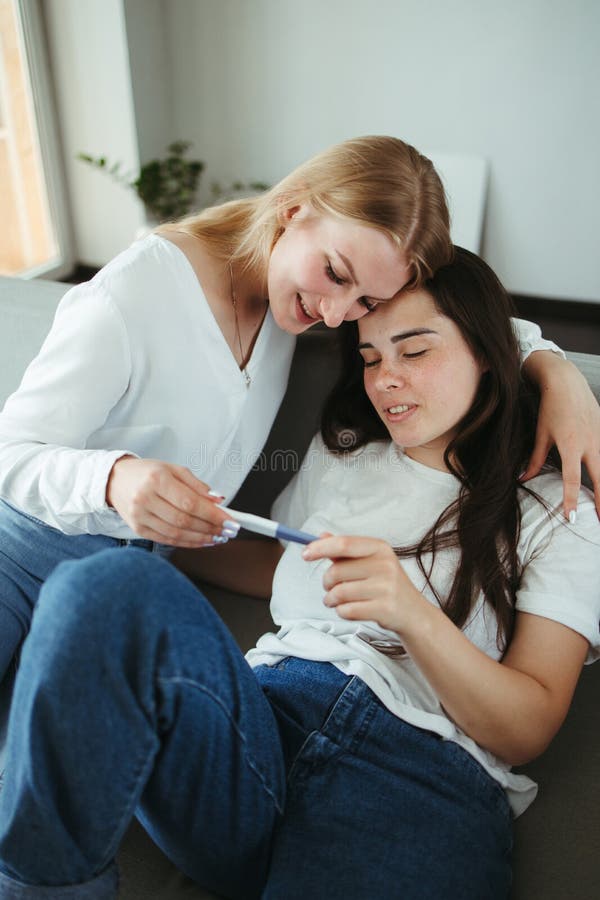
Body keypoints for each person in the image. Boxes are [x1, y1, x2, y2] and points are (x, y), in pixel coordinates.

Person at [0, 248, 598, 900]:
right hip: (254, 728)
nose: (385, 379)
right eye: (370, 359)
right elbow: (285, 566)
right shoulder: (346, 447)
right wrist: (171, 519)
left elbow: (527, 726)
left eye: (414, 352)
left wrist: (411, 613)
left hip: (419, 779)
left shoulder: (557, 509)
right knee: (101, 585)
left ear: (491, 351)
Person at [0, 134, 598, 689]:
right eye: (335, 274)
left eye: (365, 299)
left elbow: (460, 322)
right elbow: (12, 454)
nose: (337, 314)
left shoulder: (295, 305)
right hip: (25, 549)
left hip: (135, 577)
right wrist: (115, 477)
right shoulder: (135, 293)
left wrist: (555, 370)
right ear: (291, 210)